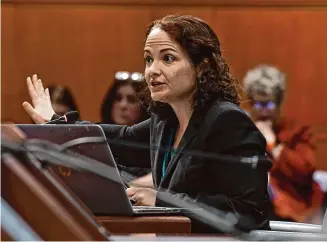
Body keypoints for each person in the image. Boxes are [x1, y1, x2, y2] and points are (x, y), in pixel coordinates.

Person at [22, 15, 270, 233]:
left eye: (168, 58)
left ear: (202, 67)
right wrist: (55, 123)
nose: (152, 70)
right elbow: (117, 139)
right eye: (148, 59)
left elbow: (249, 213)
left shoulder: (227, 122)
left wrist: (161, 199)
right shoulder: (165, 122)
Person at [243, 64, 324, 223]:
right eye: (258, 104)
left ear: (279, 103)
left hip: (288, 210)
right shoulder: (242, 130)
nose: (264, 111)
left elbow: (304, 172)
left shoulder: (296, 132)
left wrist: (272, 143)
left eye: (269, 104)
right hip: (249, 204)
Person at [101, 71, 151, 185]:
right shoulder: (97, 137)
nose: (123, 105)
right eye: (118, 98)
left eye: (131, 100)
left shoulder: (154, 145)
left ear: (144, 106)